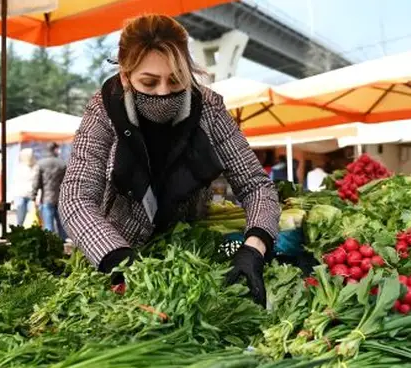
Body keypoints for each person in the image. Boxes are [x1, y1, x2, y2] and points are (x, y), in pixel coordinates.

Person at [59, 15, 280, 306]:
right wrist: (118, 260)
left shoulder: (209, 108)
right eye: (149, 83)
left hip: (188, 257)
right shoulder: (104, 109)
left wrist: (254, 246)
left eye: (176, 80)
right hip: (115, 259)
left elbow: (256, 186)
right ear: (126, 76)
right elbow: (75, 197)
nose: (164, 92)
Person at [32, 143, 67, 239]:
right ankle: (63, 243)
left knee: (48, 224)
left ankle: (50, 243)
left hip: (46, 198)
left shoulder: (41, 163)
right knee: (62, 225)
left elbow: (36, 181)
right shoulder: (62, 163)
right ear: (55, 150)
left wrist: (33, 195)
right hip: (60, 198)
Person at [12, 148, 37, 226]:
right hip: (20, 195)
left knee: (33, 218)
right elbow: (14, 182)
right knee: (20, 219)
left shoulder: (36, 167)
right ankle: (19, 234)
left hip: (31, 195)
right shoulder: (19, 167)